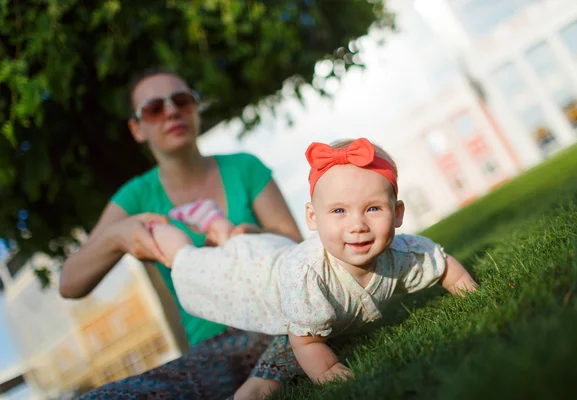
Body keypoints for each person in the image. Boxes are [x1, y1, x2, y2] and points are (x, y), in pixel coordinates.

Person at [59, 68, 305, 400]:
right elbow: (70, 282)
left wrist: (252, 236)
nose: (172, 111)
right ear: (137, 128)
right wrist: (116, 237)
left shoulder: (245, 168)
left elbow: (299, 250)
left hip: (278, 318)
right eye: (154, 108)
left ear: (195, 109)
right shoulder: (136, 196)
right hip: (214, 350)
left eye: (181, 100)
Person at [149, 137, 479, 383]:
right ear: (313, 217)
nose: (357, 225)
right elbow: (305, 339)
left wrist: (471, 295)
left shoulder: (404, 256)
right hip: (253, 280)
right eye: (339, 211)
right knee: (189, 263)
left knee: (238, 244)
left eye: (373, 208)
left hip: (274, 253)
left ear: (398, 213)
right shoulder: (308, 276)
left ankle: (218, 226)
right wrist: (329, 369)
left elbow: (444, 266)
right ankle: (158, 229)